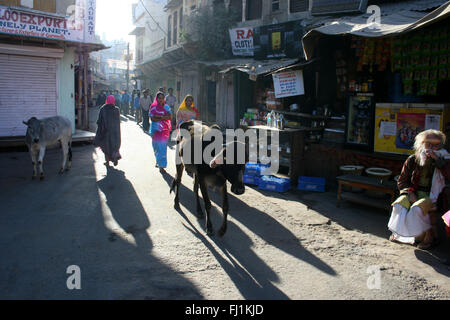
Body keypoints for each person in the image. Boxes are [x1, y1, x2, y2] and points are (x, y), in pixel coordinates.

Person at [388, 129, 450, 249]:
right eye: (429, 144)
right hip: (413, 192)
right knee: (398, 205)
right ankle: (400, 233)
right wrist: (409, 193)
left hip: (434, 196)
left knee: (418, 208)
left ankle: (430, 237)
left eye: (436, 145)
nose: (432, 148)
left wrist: (438, 161)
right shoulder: (413, 159)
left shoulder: (445, 160)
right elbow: (402, 181)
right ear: (422, 144)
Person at [94, 95, 122, 167]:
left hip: (105, 131)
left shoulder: (103, 108)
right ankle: (115, 157)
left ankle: (107, 162)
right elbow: (118, 122)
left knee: (105, 147)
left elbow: (99, 121)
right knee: (114, 146)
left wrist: (99, 131)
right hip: (115, 132)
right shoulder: (116, 109)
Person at [149, 91, 172, 174]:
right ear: (156, 98)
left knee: (162, 148)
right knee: (156, 147)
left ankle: (161, 166)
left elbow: (170, 117)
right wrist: (163, 117)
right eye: (159, 98)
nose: (161, 100)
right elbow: (152, 119)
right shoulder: (153, 107)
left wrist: (159, 117)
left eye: (162, 98)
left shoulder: (166, 107)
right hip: (155, 130)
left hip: (165, 130)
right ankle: (158, 160)